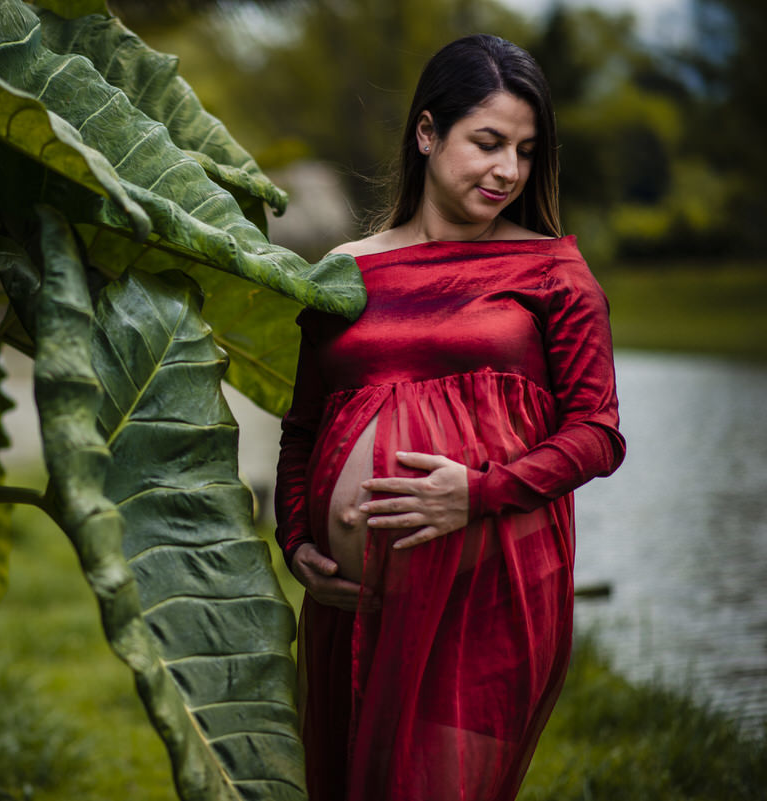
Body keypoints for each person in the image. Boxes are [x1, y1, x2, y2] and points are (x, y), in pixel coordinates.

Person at [273, 34, 626, 801]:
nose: (508, 170)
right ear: (428, 133)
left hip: (486, 595)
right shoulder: (345, 269)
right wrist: (296, 533)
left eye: (526, 151)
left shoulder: (552, 272)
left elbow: (598, 431)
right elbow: (303, 426)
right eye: (489, 142)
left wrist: (475, 493)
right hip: (350, 603)